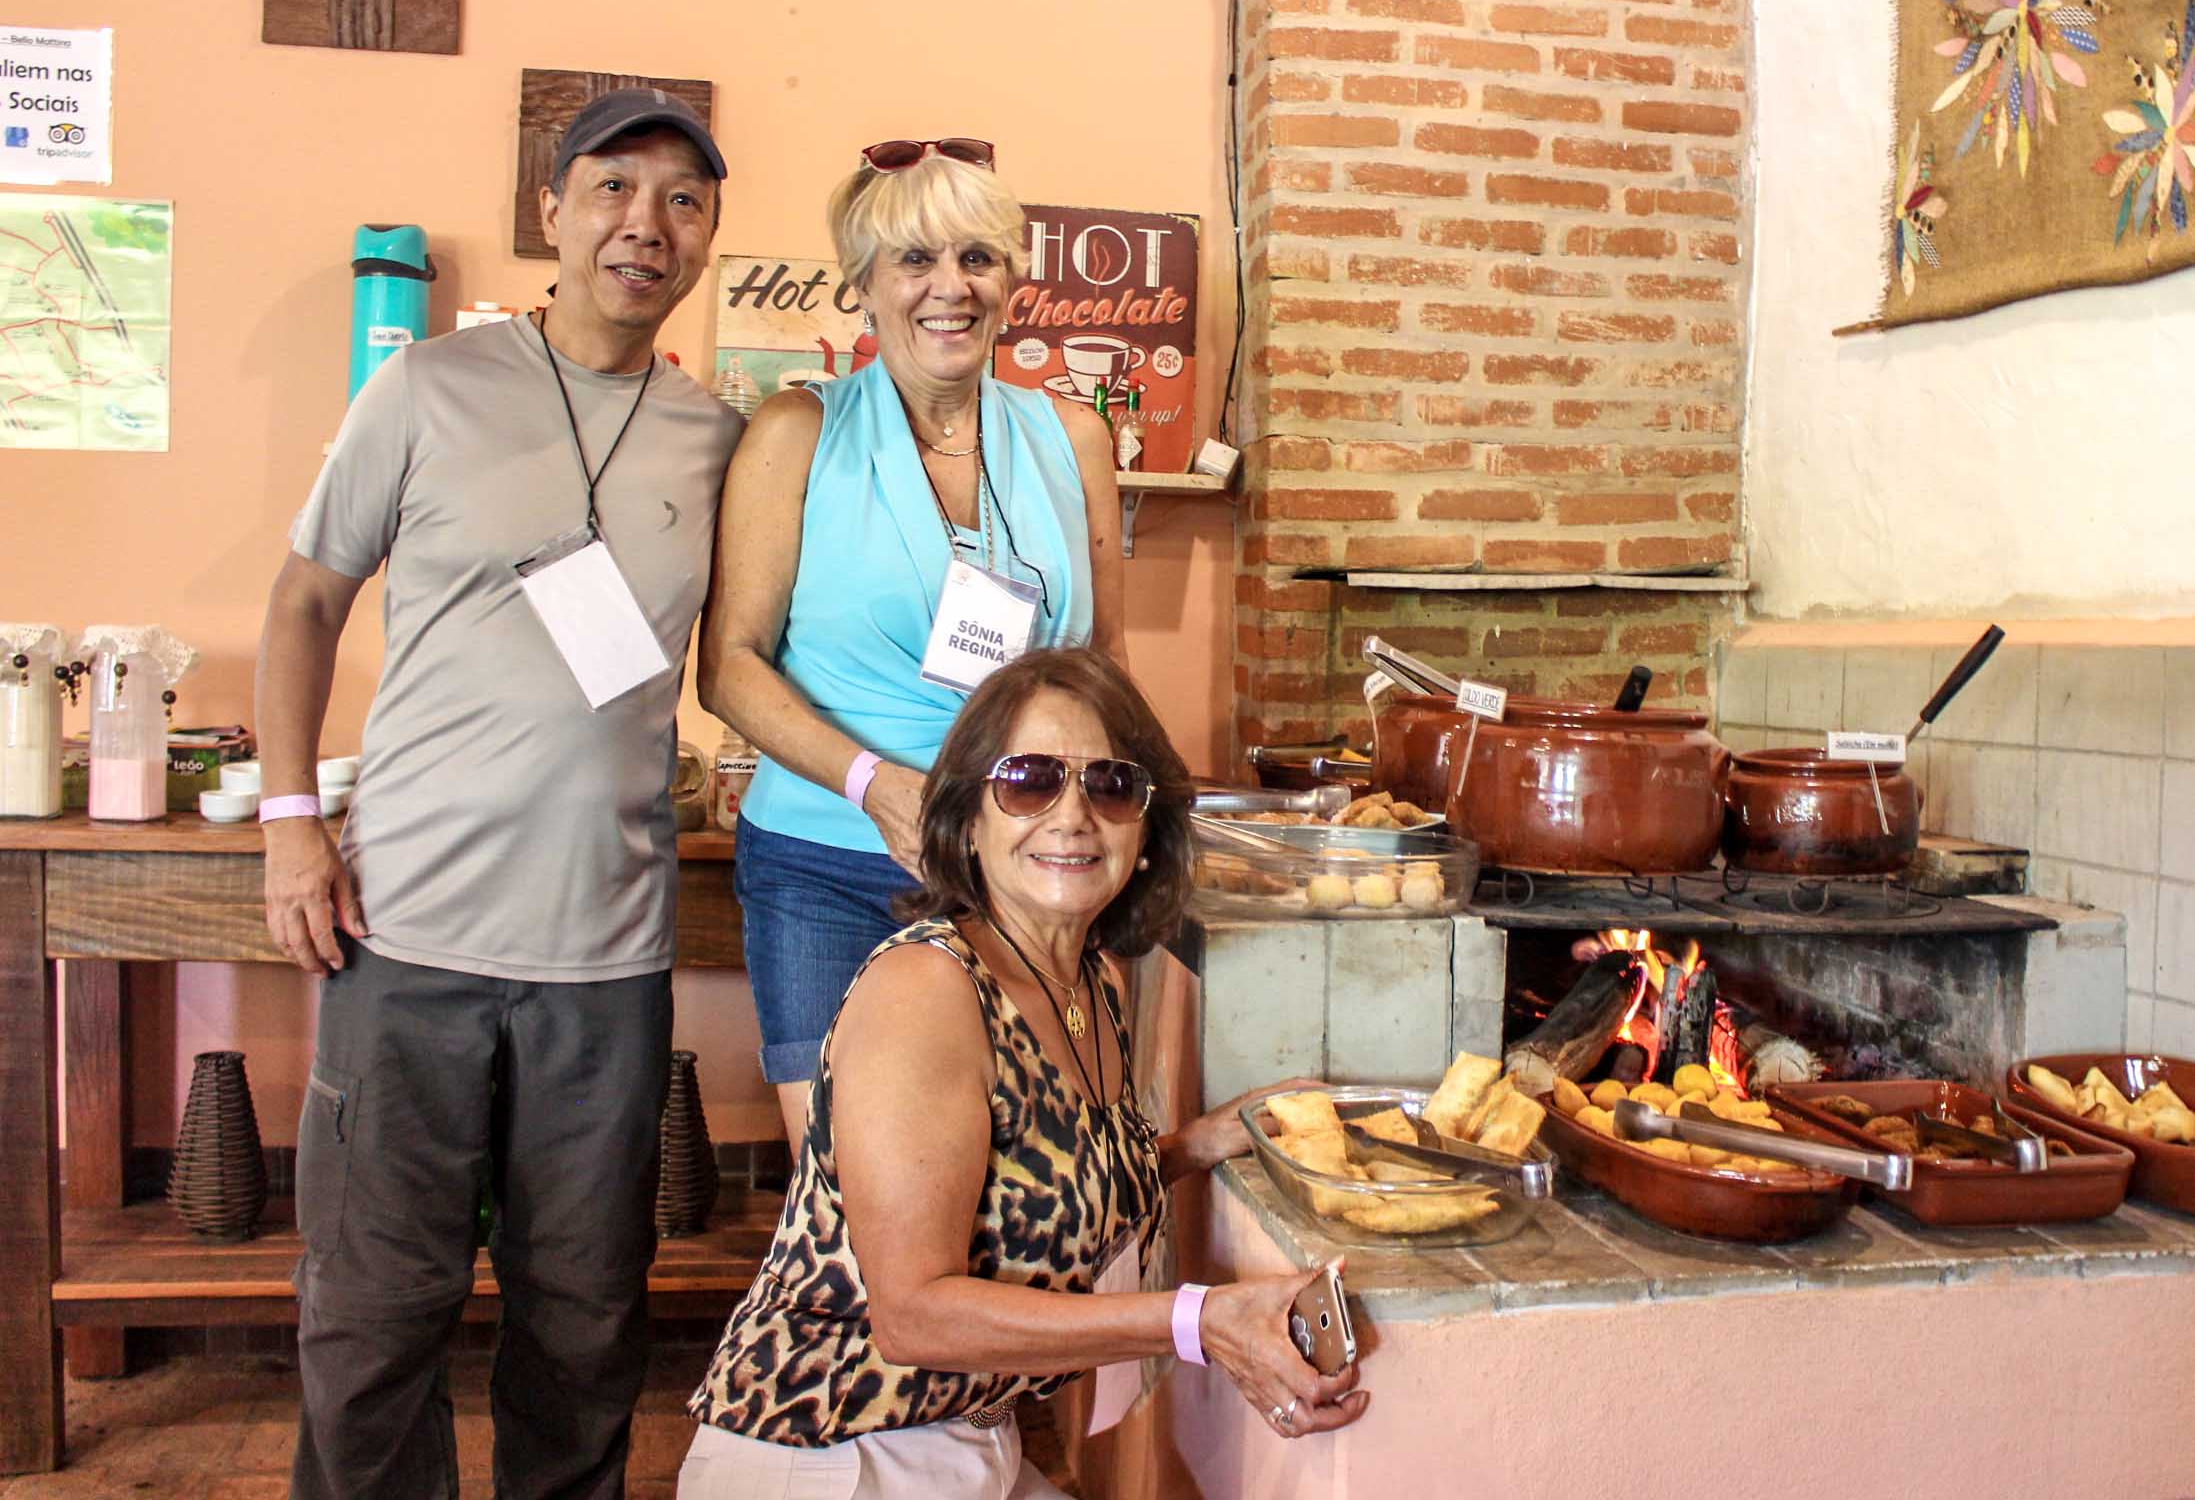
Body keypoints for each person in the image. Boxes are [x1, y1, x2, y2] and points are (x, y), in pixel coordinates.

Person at [255, 88, 742, 1498]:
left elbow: (755, 651)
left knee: (586, 1322)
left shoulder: (718, 439)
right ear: (552, 212)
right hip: (403, 933)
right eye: (613, 189)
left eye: (684, 200)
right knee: (373, 1315)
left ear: (707, 238)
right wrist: (290, 825)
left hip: (606, 957)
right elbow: (303, 602)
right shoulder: (425, 389)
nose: (645, 224)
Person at [681, 647, 1366, 1495]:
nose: (1072, 815)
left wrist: (1198, 1143)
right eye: (1028, 780)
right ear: (967, 819)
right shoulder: (926, 990)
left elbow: (1039, 1183)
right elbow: (913, 1315)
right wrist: (1200, 1321)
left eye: (1110, 786)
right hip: (830, 1454)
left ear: (1145, 832)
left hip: (968, 1445)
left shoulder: (1090, 984)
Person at [698, 137, 1128, 1145]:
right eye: (915, 260)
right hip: (829, 862)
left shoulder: (1072, 439)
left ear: (1011, 283)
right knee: (852, 1178)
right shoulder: (796, 431)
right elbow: (728, 667)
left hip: (1022, 867)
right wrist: (877, 786)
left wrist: (1106, 823)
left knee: (1025, 1169)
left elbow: (1102, 665)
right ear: (864, 285)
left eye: (977, 259)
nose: (951, 287)